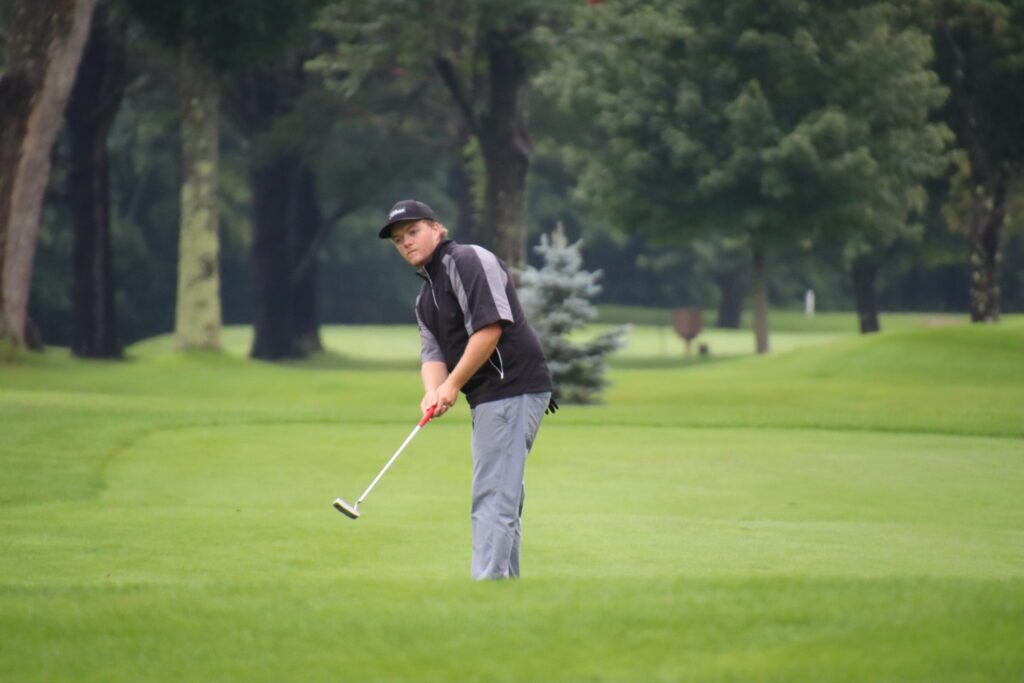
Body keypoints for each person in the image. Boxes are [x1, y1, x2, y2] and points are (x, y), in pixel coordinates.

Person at [379, 199, 556, 580]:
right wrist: (433, 390)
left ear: (436, 228)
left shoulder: (466, 260)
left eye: (412, 232)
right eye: (398, 239)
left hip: (513, 384)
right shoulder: (426, 297)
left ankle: (487, 586)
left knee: (493, 492)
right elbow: (432, 352)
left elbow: (490, 328)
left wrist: (453, 385)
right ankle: (502, 585)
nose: (406, 242)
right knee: (501, 489)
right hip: (492, 394)